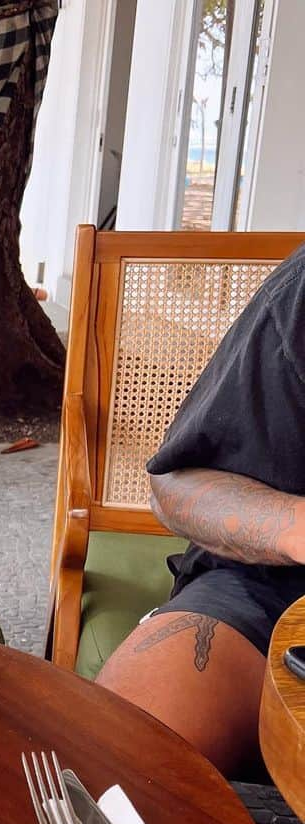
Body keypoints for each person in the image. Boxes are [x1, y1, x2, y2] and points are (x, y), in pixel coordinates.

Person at [96, 241, 305, 776]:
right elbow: (177, 486)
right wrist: (294, 525)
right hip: (272, 584)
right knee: (108, 768)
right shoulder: (299, 294)